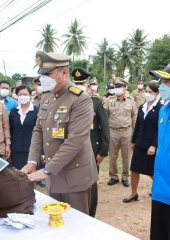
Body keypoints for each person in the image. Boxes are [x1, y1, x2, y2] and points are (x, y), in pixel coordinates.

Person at [21, 51, 98, 214]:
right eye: (41, 74)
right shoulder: (46, 97)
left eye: (48, 73)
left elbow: (75, 141)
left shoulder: (80, 99)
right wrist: (32, 161)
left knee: (76, 228)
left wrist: (46, 170)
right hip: (53, 177)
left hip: (75, 178)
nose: (43, 78)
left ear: (64, 73)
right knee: (56, 224)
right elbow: (38, 130)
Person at [71, 68, 110, 217]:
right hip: (73, 149)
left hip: (92, 149)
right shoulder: (69, 101)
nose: (79, 86)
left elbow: (105, 128)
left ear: (88, 85)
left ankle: (91, 213)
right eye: (76, 83)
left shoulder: (96, 102)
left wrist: (103, 151)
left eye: (82, 83)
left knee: (91, 182)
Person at [122, 80, 162, 203]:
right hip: (140, 143)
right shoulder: (142, 107)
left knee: (152, 171)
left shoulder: (161, 108)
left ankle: (160, 191)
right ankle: (134, 193)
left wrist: (154, 145)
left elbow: (160, 129)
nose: (147, 94)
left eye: (150, 92)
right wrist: (133, 141)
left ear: (157, 93)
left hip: (151, 145)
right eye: (146, 91)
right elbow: (138, 125)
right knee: (135, 169)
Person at [148, 64, 170, 239]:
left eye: (166, 81)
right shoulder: (164, 109)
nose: (162, 85)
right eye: (161, 80)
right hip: (160, 189)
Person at [104, 78, 137, 187]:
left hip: (127, 132)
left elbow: (134, 116)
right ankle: (113, 176)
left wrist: (133, 132)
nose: (117, 89)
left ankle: (125, 177)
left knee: (126, 156)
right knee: (113, 156)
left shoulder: (131, 101)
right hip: (113, 131)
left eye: (119, 87)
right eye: (116, 87)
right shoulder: (109, 100)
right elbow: (105, 117)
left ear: (124, 89)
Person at [9, 85, 39, 170]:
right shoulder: (14, 111)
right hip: (16, 150)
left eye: (25, 94)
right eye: (20, 94)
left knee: (32, 178)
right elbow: (10, 130)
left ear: (30, 95)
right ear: (17, 96)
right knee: (19, 176)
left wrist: (42, 152)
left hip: (32, 150)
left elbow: (41, 132)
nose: (23, 96)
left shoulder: (37, 111)